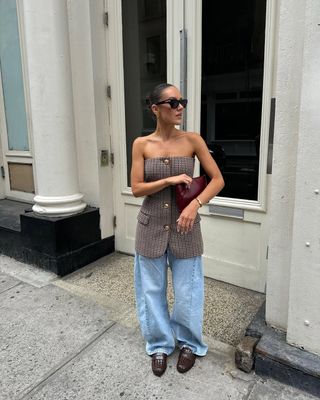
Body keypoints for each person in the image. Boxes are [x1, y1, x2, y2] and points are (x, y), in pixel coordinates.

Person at [131, 83, 224, 377]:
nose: (180, 106)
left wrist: (195, 204)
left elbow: (218, 180)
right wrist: (168, 181)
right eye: (173, 102)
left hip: (186, 228)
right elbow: (136, 189)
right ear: (155, 109)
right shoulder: (141, 144)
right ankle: (159, 344)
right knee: (151, 290)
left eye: (181, 100)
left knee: (189, 291)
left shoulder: (193, 140)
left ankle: (189, 344)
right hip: (150, 227)